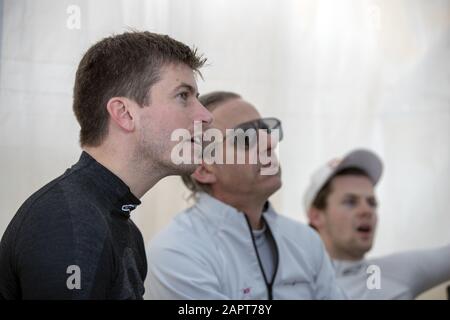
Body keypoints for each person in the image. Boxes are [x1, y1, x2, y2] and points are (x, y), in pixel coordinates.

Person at [0, 31, 213, 299]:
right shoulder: (70, 223)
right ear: (124, 114)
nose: (206, 115)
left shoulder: (118, 226)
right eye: (183, 96)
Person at [145, 91, 346, 299]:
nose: (270, 143)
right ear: (204, 168)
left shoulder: (305, 241)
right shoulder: (177, 253)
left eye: (266, 130)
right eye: (247, 137)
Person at [304, 149, 450, 299]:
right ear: (316, 216)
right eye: (350, 202)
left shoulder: (398, 272)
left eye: (372, 202)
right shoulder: (288, 284)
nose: (367, 210)